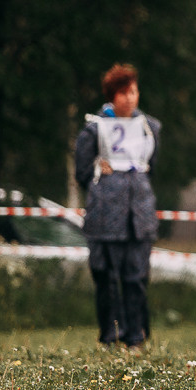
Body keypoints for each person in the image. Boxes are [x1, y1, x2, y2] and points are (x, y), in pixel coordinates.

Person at [73, 64, 161, 352]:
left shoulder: (150, 128)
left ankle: (136, 336)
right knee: (107, 278)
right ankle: (112, 336)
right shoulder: (94, 129)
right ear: (112, 96)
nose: (128, 98)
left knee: (136, 277)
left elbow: (151, 167)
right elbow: (82, 173)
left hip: (140, 216)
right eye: (122, 93)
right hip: (105, 218)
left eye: (132, 92)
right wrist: (103, 177)